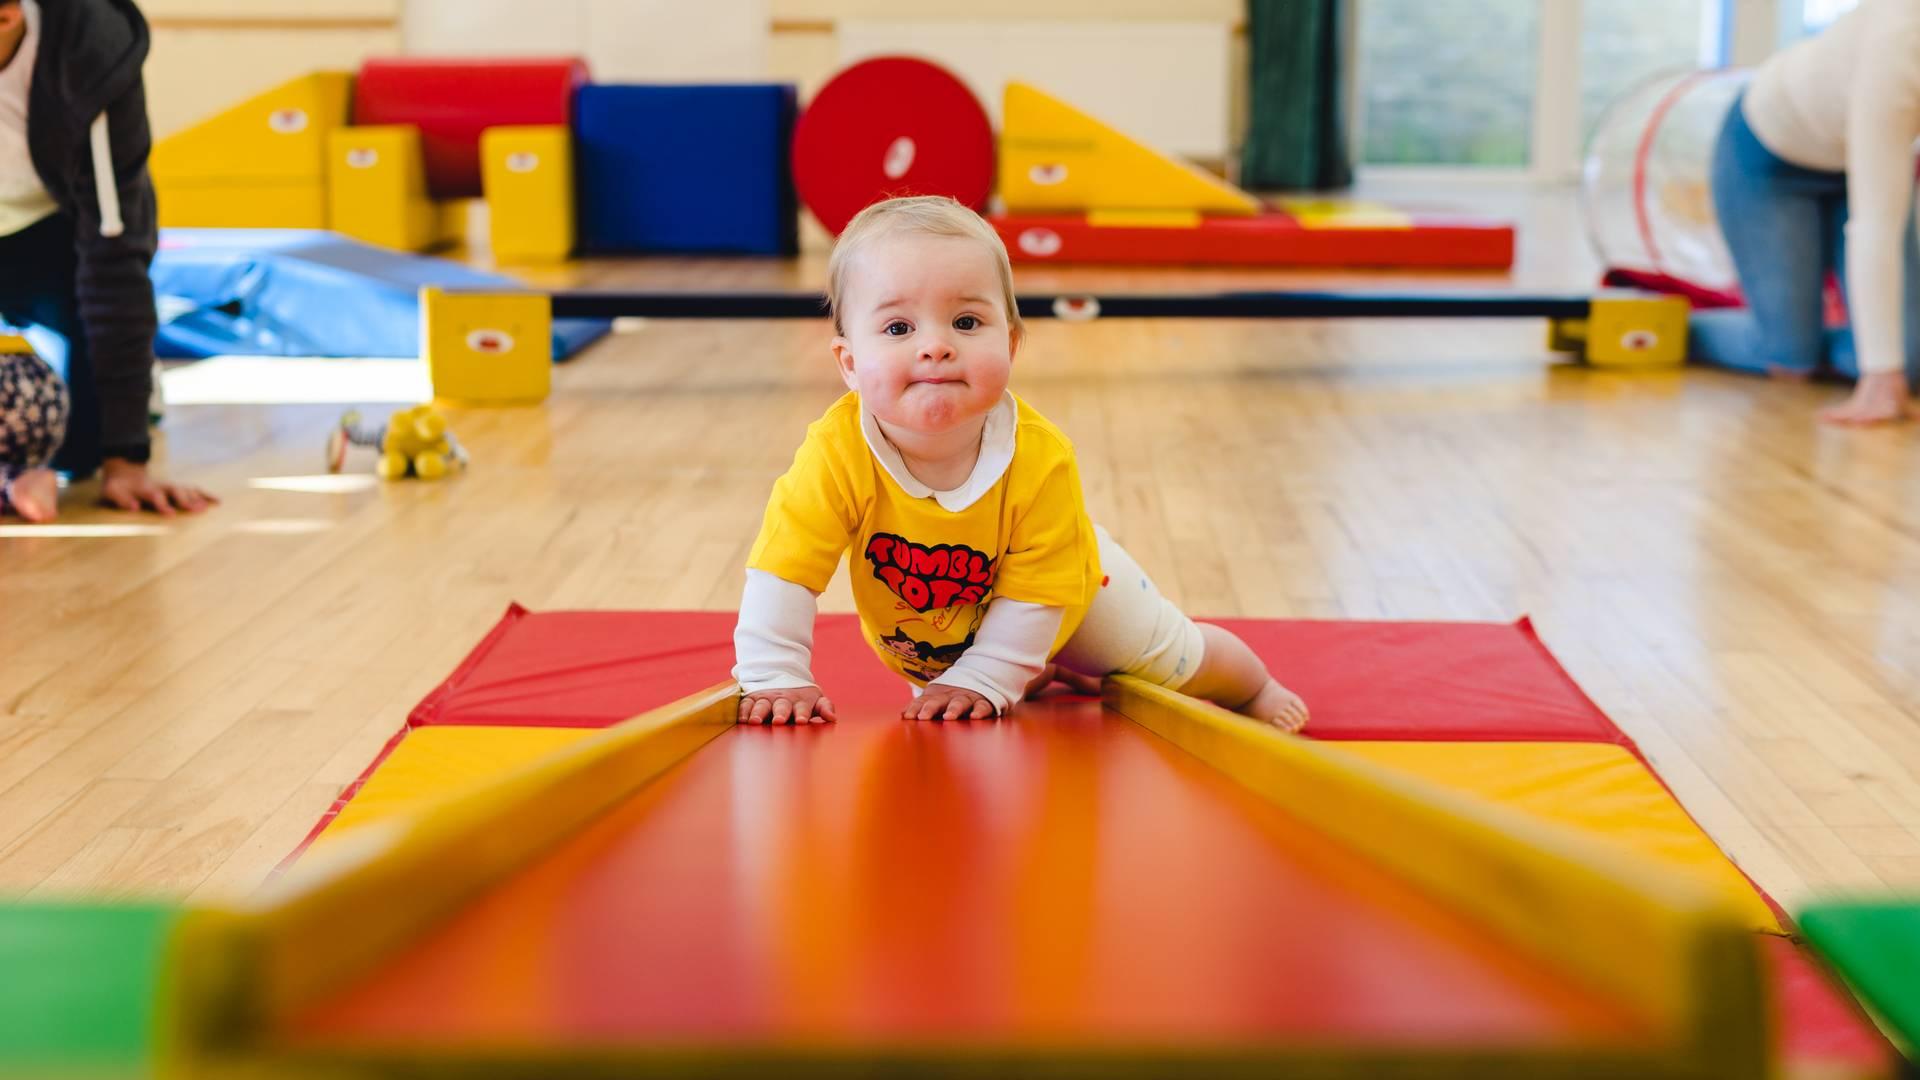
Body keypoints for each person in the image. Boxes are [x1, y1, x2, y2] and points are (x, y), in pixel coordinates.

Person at [731, 196, 1309, 730]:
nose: (935, 346)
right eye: (899, 328)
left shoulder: (1037, 457)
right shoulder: (835, 454)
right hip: (939, 635)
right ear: (849, 363)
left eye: (965, 322)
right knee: (954, 723)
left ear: (1009, 345)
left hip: (1077, 597)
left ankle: (1252, 684)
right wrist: (777, 675)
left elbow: (1036, 595)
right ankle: (1039, 671)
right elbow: (784, 569)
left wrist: (985, 676)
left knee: (1171, 655)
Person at [0, 0, 214, 517]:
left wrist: (126, 457)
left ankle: (112, 416)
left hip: (45, 239)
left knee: (82, 442)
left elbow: (114, 255)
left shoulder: (88, 50)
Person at [1690, 0, 1920, 425]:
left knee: (1912, 358)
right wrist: (1881, 376)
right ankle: (1679, 325)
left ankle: (1840, 343)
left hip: (1855, 161)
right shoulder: (1900, 44)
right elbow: (1875, 227)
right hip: (1769, 162)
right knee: (1790, 358)